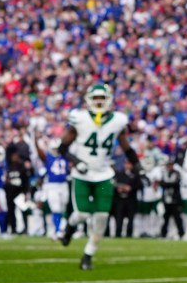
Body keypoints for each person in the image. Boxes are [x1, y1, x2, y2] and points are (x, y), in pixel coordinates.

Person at [57, 82, 140, 270]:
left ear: (109, 100)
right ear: (88, 100)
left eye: (102, 98)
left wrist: (137, 165)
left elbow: (125, 146)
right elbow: (62, 148)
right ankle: (69, 229)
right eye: (96, 98)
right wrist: (77, 161)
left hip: (104, 175)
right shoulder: (79, 118)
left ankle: (87, 256)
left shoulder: (118, 121)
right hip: (82, 175)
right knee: (82, 213)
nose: (99, 102)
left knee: (102, 216)